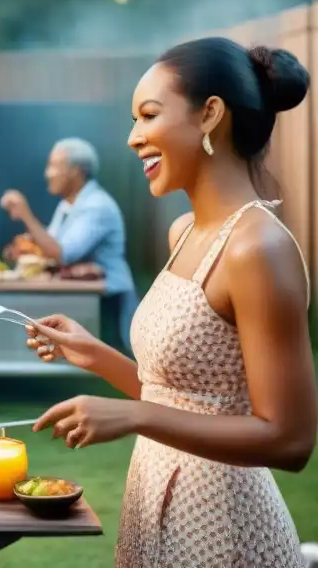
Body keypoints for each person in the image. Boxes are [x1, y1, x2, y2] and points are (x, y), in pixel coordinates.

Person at [25, 37, 316, 567]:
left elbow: (290, 439)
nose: (135, 138)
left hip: (223, 530)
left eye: (149, 115)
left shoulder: (258, 247)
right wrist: (92, 354)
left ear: (210, 115)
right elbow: (182, 399)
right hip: (156, 503)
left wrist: (135, 417)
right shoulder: (183, 232)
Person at [0, 137, 137, 351]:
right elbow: (47, 248)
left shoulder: (97, 206)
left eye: (54, 166)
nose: (48, 173)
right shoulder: (67, 205)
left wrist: (26, 214)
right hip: (88, 295)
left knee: (109, 363)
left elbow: (61, 253)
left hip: (108, 299)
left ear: (77, 170)